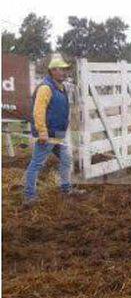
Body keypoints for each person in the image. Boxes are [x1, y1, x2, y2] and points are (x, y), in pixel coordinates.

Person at [23, 54, 85, 207]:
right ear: (53, 70)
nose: (65, 72)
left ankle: (66, 188)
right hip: (48, 134)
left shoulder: (61, 88)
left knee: (66, 160)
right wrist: (42, 131)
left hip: (59, 134)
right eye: (62, 69)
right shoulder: (46, 88)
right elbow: (38, 111)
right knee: (37, 164)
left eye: (66, 70)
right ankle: (29, 196)